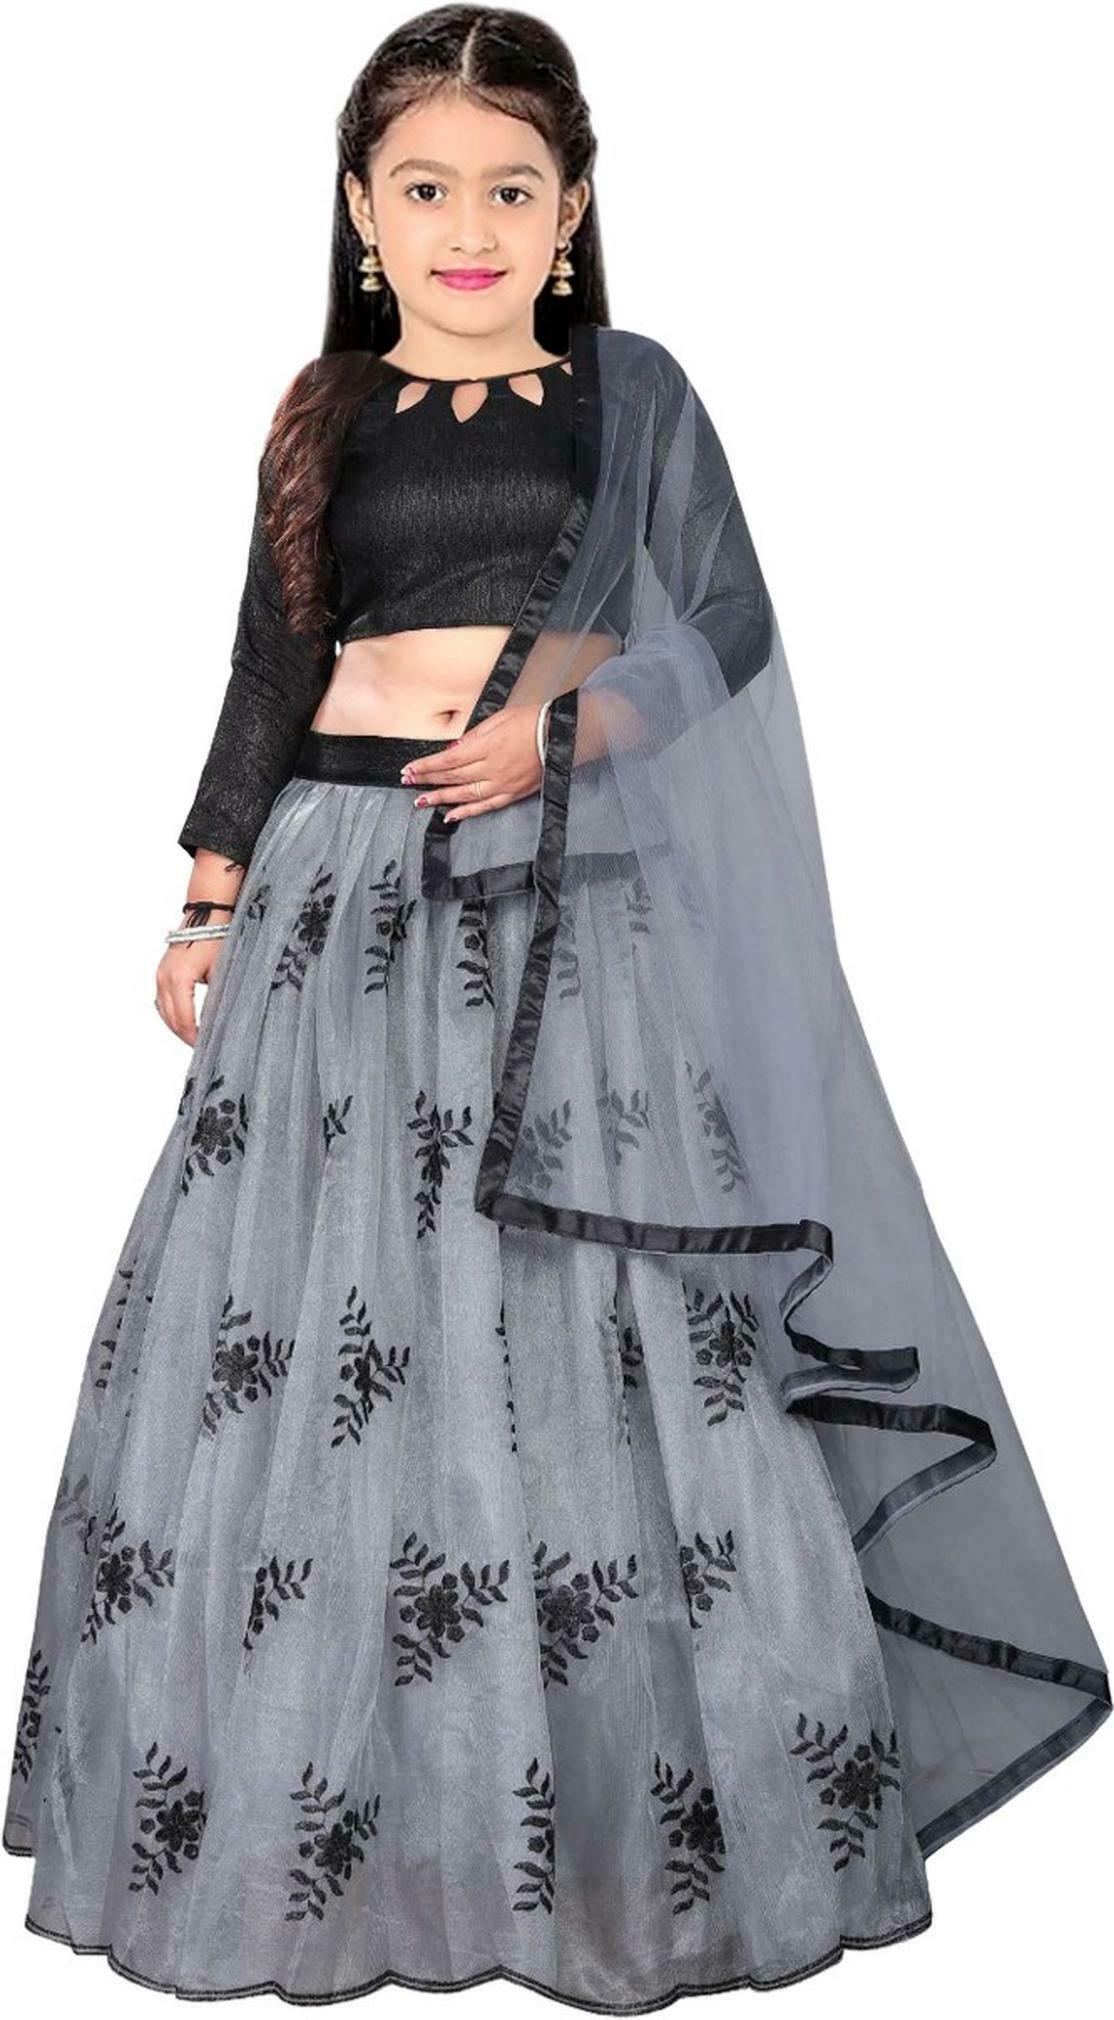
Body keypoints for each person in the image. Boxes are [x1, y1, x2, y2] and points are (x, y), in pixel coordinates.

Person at [5, 7, 1109, 2010]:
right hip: (337, 908)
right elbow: (267, 664)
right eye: (422, 186)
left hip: (566, 912)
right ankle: (347, 1830)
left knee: (597, 1336)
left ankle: (614, 1833)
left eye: (509, 188)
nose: (467, 225)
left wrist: (564, 731)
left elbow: (730, 622)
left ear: (572, 206)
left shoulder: (631, 395)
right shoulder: (318, 416)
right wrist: (205, 891)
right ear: (359, 211)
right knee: (337, 1328)